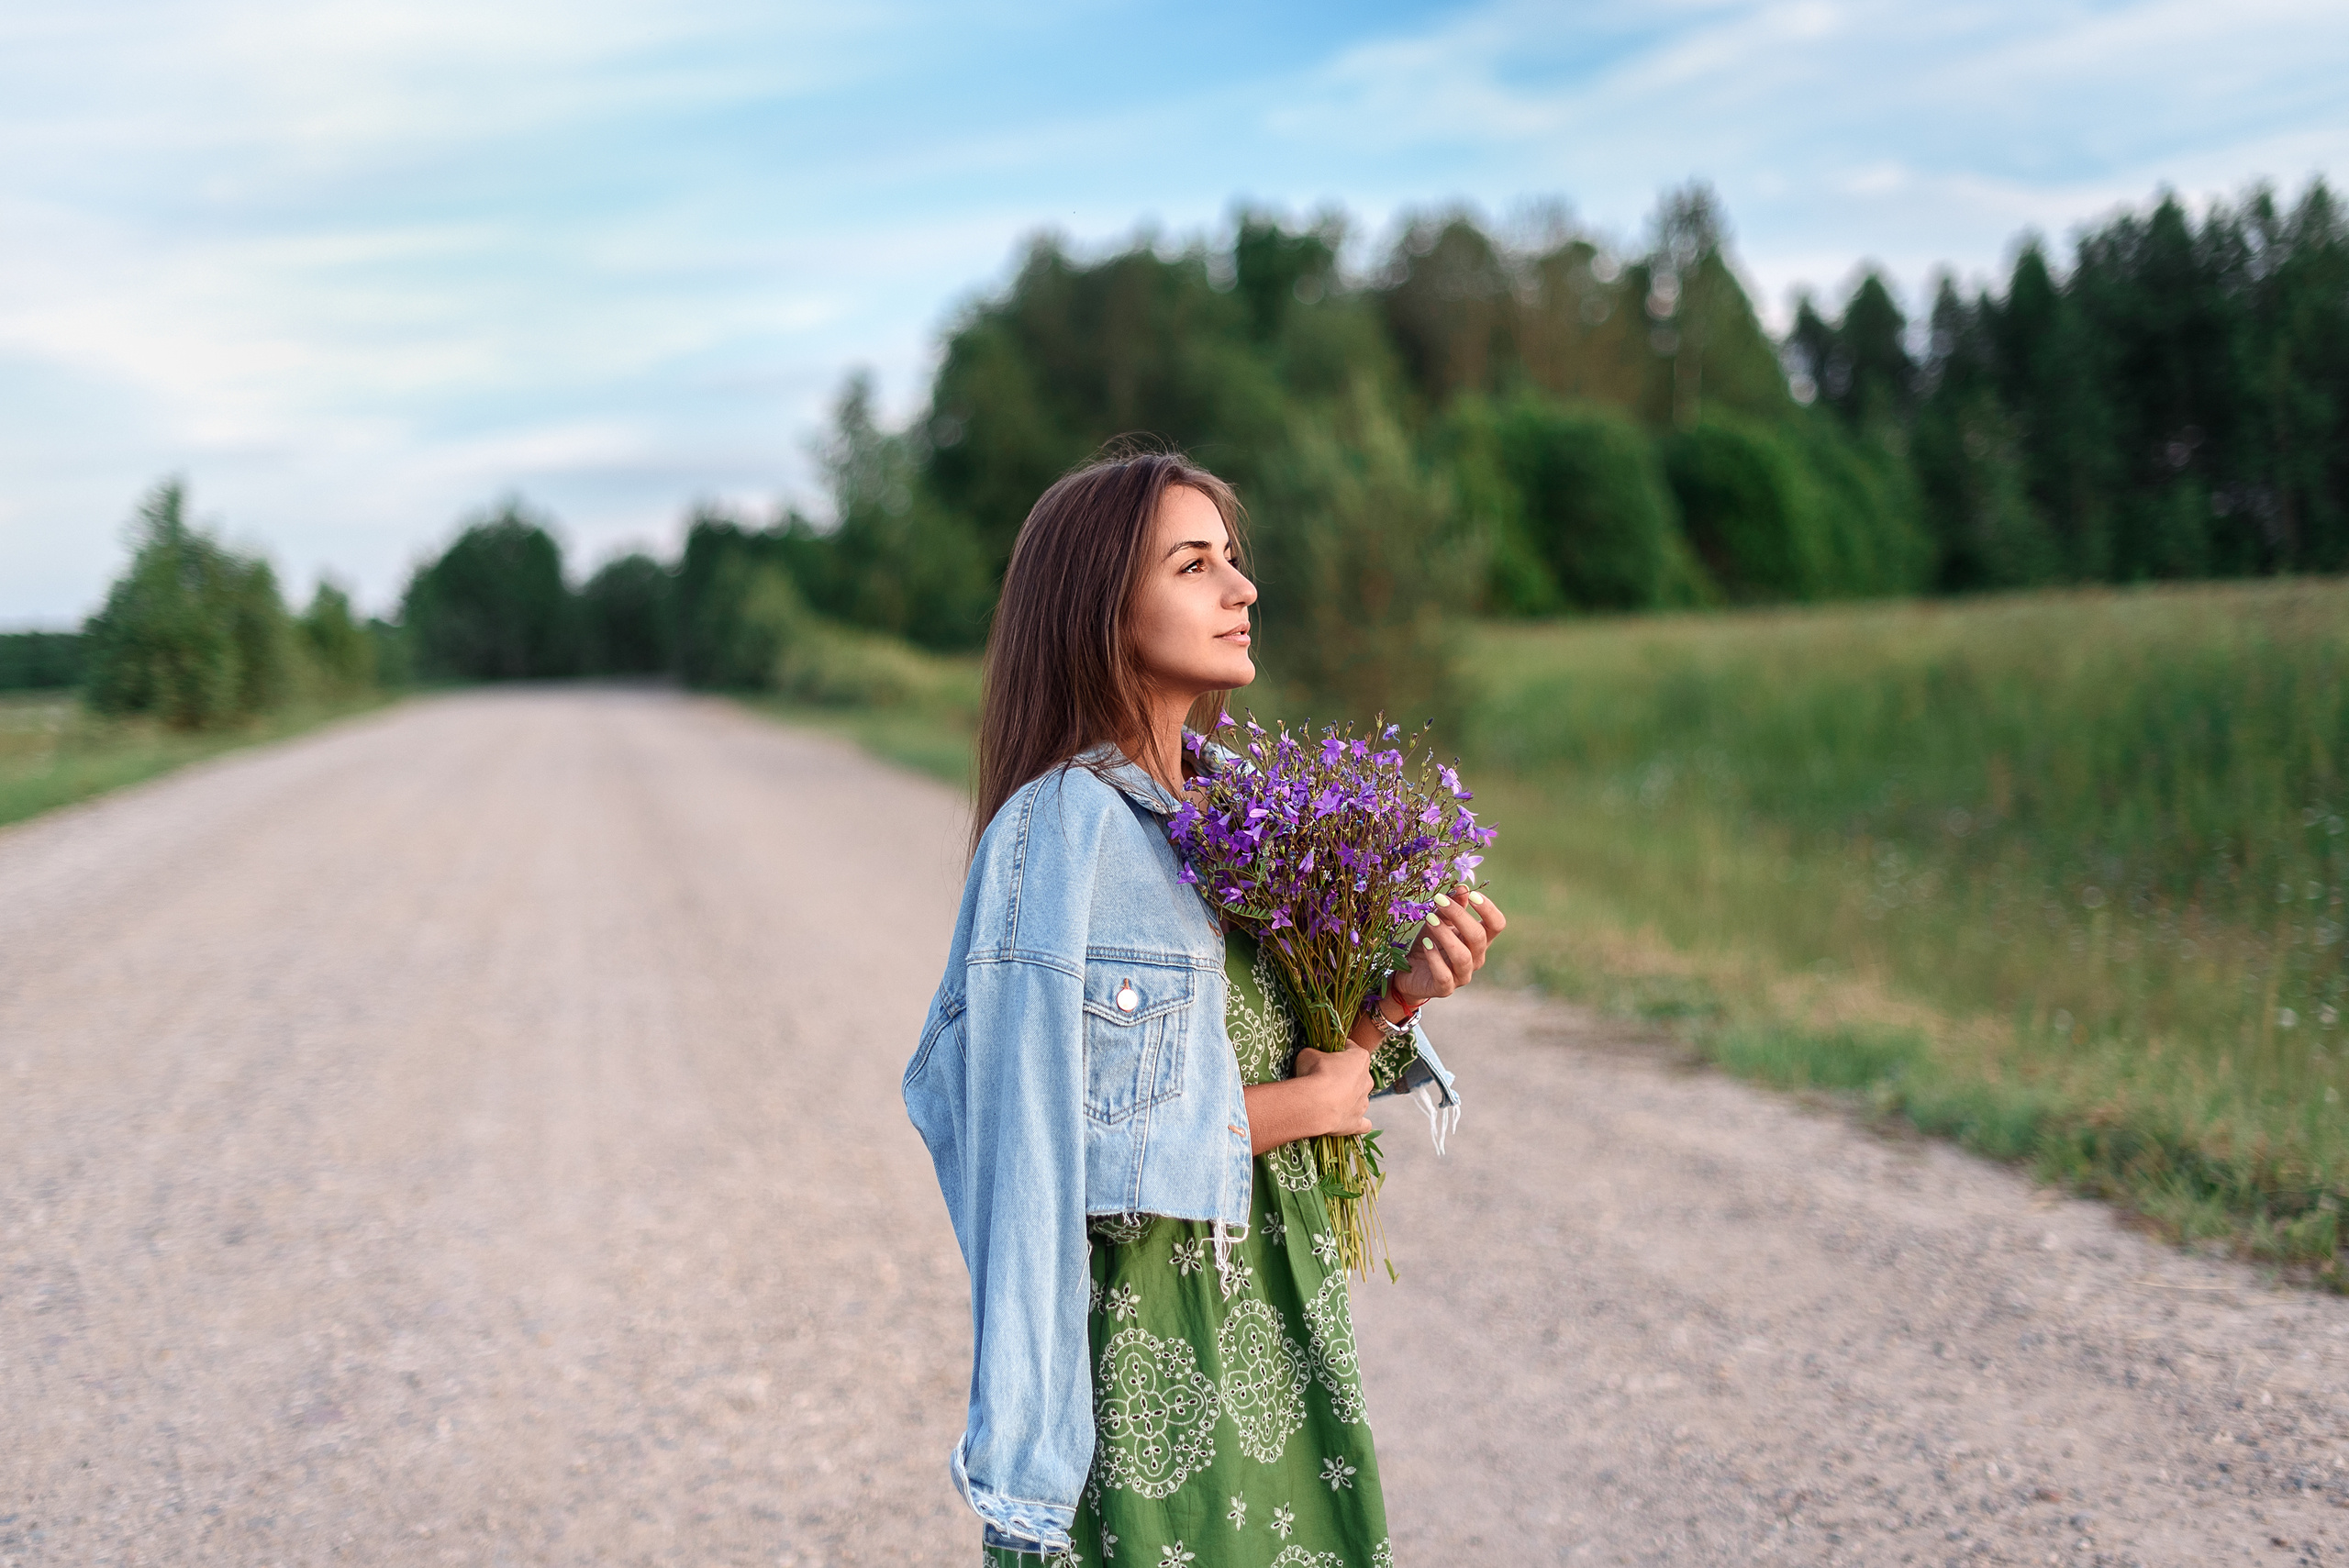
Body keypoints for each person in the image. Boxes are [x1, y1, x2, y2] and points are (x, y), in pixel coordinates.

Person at [903, 449, 1505, 1565]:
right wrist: (1313, 1102)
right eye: (1195, 565)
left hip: (1275, 1319)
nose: (1243, 589)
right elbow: (1042, 1139)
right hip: (1143, 1356)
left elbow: (1300, 1065)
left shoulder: (1244, 817)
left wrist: (1390, 1008)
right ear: (1100, 609)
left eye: (1233, 559)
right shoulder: (1057, 832)